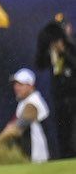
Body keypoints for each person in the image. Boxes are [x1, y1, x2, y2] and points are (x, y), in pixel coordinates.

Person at [33, 15, 76, 160]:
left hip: (74, 96)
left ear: (68, 28)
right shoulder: (52, 51)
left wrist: (64, 50)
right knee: (63, 136)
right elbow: (40, 64)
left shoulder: (72, 44)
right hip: (59, 99)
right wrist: (43, 45)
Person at [0, 69, 50, 163]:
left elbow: (15, 130)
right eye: (15, 84)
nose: (16, 88)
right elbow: (12, 125)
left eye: (21, 84)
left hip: (37, 159)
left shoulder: (33, 103)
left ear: (30, 86)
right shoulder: (24, 102)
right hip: (28, 158)